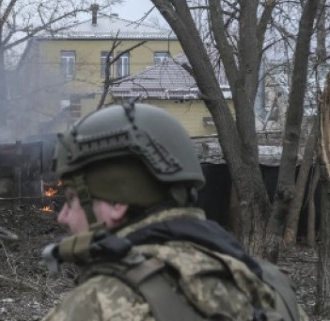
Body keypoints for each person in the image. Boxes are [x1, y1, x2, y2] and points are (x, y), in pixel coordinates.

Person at [41, 102, 308, 321]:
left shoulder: (97, 305)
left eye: (73, 199)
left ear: (116, 203)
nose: (63, 216)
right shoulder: (274, 290)